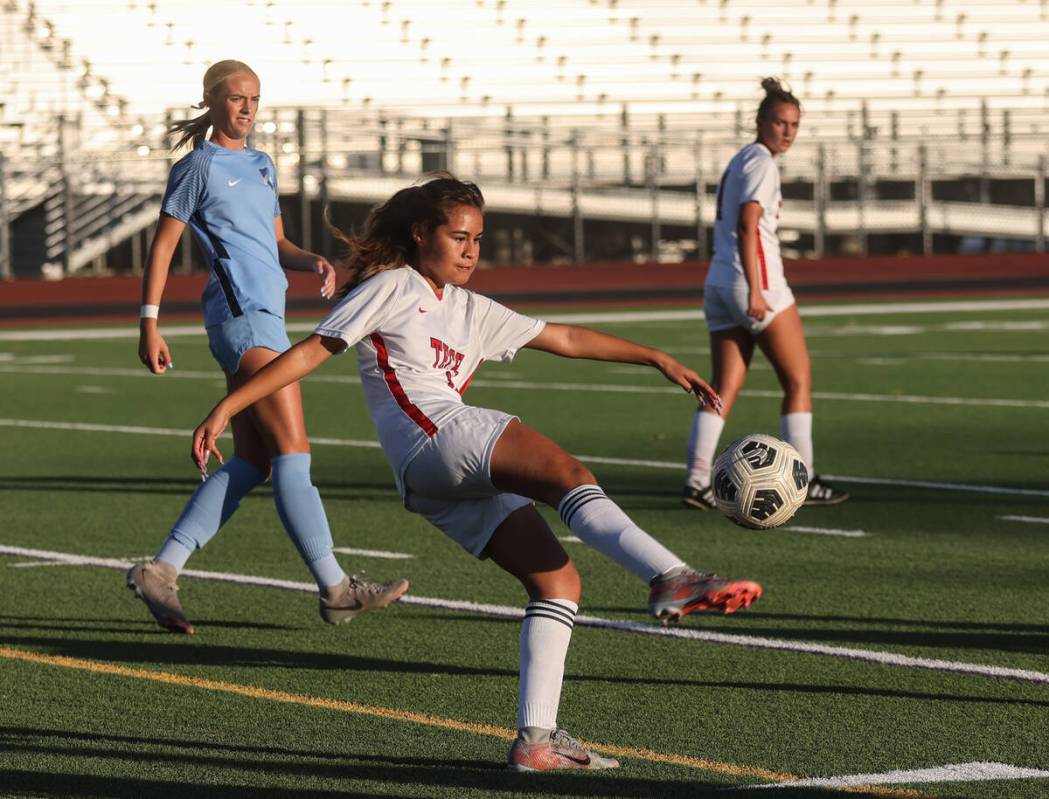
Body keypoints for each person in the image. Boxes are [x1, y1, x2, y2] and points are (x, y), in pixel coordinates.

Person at [190, 174, 763, 771]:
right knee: (566, 471)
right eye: (458, 236)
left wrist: (658, 358)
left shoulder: (471, 308)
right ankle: (670, 577)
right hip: (437, 436)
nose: (470, 251)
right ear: (420, 233)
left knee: (558, 584)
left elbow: (562, 336)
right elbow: (312, 350)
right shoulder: (393, 285)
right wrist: (228, 406)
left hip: (432, 480)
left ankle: (536, 742)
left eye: (478, 240)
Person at [130, 59, 408, 635]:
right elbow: (162, 248)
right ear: (210, 102)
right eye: (236, 98)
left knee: (255, 460)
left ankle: (162, 569)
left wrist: (310, 260)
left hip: (268, 320)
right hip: (241, 321)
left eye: (255, 98)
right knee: (293, 450)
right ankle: (335, 589)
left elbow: (274, 240)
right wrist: (149, 323)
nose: (248, 108)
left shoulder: (261, 164)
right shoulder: (196, 168)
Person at [683, 78, 848, 511]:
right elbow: (749, 224)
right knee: (798, 379)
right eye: (779, 122)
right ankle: (806, 478)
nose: (787, 132)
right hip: (755, 283)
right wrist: (757, 289)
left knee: (723, 386)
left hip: (718, 282)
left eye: (794, 124)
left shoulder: (741, 159)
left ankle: (698, 480)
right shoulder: (762, 163)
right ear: (761, 121)